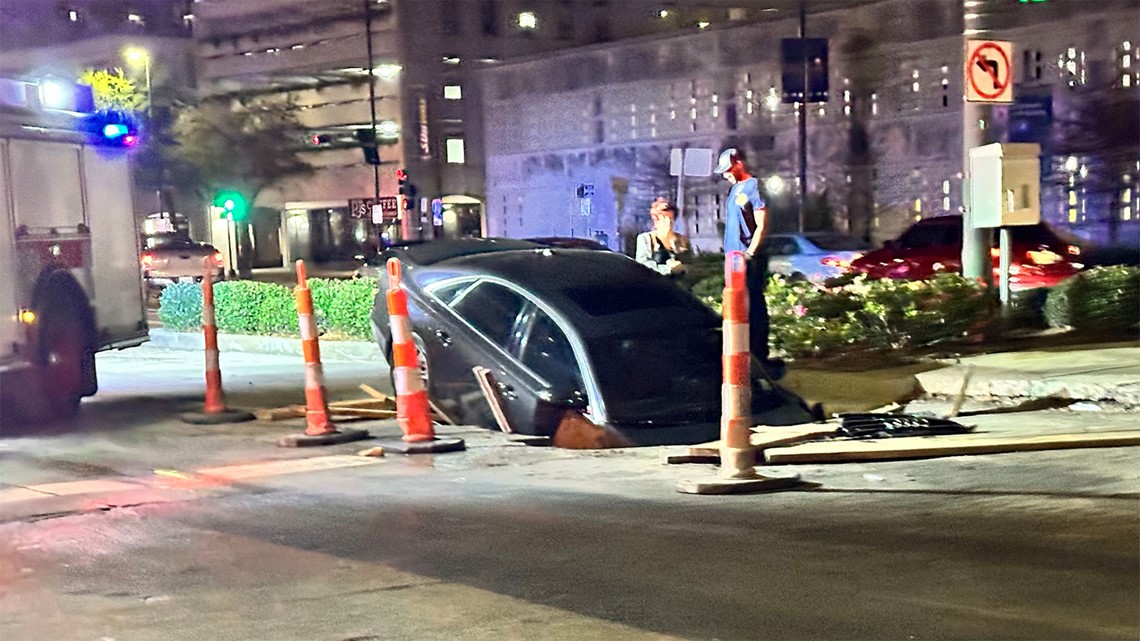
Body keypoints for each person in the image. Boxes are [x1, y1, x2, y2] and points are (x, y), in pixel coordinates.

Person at [715, 147, 784, 379]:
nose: (725, 175)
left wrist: (751, 254)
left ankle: (759, 354)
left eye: (727, 170)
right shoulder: (735, 190)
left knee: (754, 304)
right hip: (734, 258)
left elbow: (762, 224)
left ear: (739, 164)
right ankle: (744, 351)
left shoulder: (754, 187)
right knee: (738, 306)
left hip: (748, 258)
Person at [635, 198, 690, 277]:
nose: (668, 223)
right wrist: (669, 269)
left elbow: (690, 266)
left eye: (671, 219)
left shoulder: (682, 240)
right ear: (655, 220)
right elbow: (642, 265)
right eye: (664, 218)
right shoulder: (645, 239)